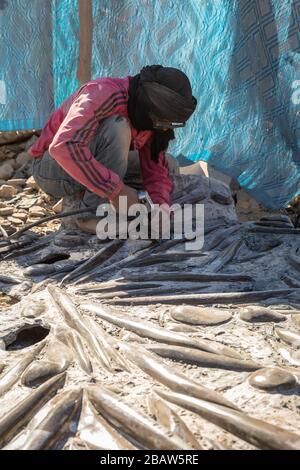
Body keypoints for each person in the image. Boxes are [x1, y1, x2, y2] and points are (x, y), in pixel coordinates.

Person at [28, 65, 197, 234]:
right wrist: (116, 191)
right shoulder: (103, 93)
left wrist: (162, 207)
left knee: (169, 164)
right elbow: (63, 147)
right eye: (163, 122)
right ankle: (91, 217)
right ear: (150, 105)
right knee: (118, 128)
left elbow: (155, 169)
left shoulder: (151, 118)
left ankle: (127, 208)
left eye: (172, 124)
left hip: (90, 160)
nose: (166, 129)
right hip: (51, 168)